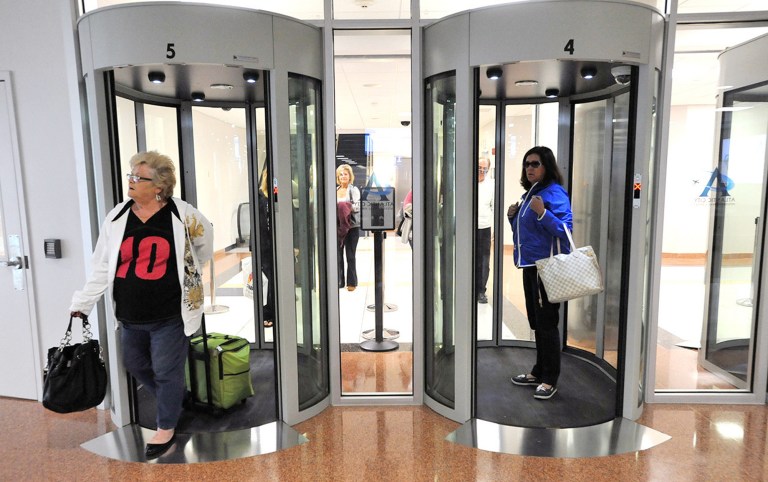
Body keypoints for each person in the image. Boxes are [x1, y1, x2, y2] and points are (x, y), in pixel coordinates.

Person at [69, 151, 213, 458]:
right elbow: (102, 265)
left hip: (169, 314)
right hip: (129, 315)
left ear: (159, 186)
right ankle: (173, 396)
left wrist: (191, 270)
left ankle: (166, 426)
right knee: (134, 364)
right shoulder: (117, 216)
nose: (131, 181)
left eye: (138, 177)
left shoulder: (183, 214)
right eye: (131, 175)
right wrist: (84, 301)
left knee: (165, 370)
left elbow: (204, 242)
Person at [507, 146, 572, 400]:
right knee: (537, 321)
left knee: (547, 324)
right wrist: (513, 217)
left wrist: (543, 213)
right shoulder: (531, 193)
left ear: (547, 166)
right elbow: (527, 232)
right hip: (531, 266)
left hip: (546, 268)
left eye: (535, 164)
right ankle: (538, 371)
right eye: (527, 164)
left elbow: (565, 229)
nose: (529, 168)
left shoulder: (554, 193)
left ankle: (550, 378)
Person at [336, 164, 360, 291]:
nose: (343, 176)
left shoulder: (353, 190)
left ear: (350, 176)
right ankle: (340, 281)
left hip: (351, 227)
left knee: (350, 255)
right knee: (338, 255)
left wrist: (346, 206)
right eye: (341, 174)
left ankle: (352, 282)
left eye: (345, 174)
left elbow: (358, 206)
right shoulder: (335, 190)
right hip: (338, 227)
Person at [257, 170, 275, 328]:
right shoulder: (259, 197)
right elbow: (256, 223)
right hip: (264, 245)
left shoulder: (278, 196)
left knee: (274, 279)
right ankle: (268, 312)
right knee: (270, 278)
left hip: (278, 244)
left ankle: (272, 311)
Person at [476, 158, 494, 304]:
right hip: (468, 229)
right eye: (479, 168)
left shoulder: (491, 186)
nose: (482, 171)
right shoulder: (466, 182)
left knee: (484, 261)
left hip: (484, 228)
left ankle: (481, 291)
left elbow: (494, 208)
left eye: (484, 169)